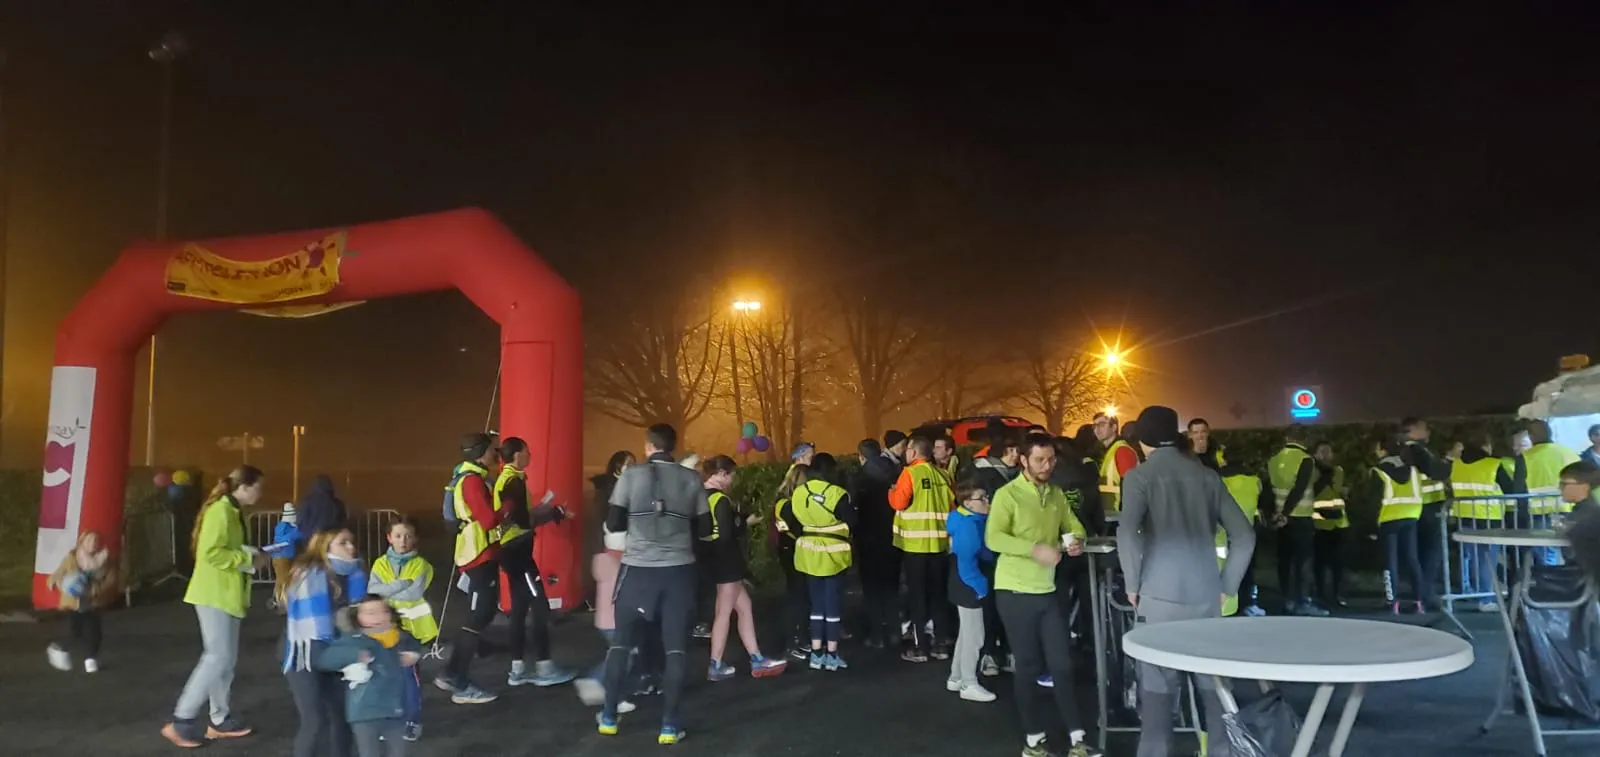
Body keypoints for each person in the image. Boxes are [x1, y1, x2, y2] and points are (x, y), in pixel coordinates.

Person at [1117, 406, 1254, 757]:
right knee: (1215, 696)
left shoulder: (1139, 476)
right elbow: (1245, 536)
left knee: (1158, 702)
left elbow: (1129, 534)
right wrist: (1228, 585)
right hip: (1207, 595)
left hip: (1158, 597)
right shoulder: (1207, 476)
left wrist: (1132, 582)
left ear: (1143, 442)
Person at [598, 423, 713, 744]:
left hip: (637, 571)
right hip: (678, 573)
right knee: (676, 650)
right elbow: (705, 528)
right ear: (673, 447)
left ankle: (608, 717)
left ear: (648, 446)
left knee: (620, 644)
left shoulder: (631, 477)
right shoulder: (691, 479)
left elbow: (614, 522)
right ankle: (668, 726)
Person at [986, 433, 1098, 757]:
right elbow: (993, 538)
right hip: (1014, 591)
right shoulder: (1008, 495)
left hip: (1047, 590)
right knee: (1029, 666)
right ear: (1023, 460)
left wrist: (1076, 540)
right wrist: (1034, 550)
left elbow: (1075, 526)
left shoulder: (1056, 493)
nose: (1047, 466)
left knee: (1062, 665)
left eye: (1050, 460)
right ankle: (1033, 741)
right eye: (1039, 460)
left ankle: (1078, 740)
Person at [162, 466, 267, 748]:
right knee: (217, 658)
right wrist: (248, 559)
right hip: (215, 595)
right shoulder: (222, 512)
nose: (260, 493)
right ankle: (181, 720)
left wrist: (249, 556)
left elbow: (217, 551)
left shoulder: (229, 510)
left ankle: (218, 719)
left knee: (225, 661)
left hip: (225, 595)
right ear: (243, 487)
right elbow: (211, 554)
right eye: (258, 487)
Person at [492, 436, 576, 688]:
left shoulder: (507, 479)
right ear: (517, 456)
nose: (530, 456)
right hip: (518, 552)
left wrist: (547, 510)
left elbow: (521, 515)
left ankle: (517, 669)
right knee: (539, 606)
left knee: (518, 610)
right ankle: (544, 667)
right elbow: (523, 521)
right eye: (527, 452)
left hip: (511, 551)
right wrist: (554, 513)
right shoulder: (513, 481)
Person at [282, 528, 368, 757]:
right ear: (325, 547)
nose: (351, 547)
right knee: (314, 719)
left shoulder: (356, 573)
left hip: (340, 649)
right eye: (343, 543)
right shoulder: (306, 574)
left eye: (352, 541)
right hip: (305, 650)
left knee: (344, 715)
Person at [700, 455, 787, 680]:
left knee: (744, 608)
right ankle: (715, 664)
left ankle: (756, 658)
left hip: (713, 560)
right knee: (724, 613)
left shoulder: (700, 496)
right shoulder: (720, 500)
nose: (733, 479)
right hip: (727, 562)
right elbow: (729, 533)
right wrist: (744, 524)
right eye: (731, 474)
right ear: (721, 474)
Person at [433, 433, 502, 704]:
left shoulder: (466, 476)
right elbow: (487, 520)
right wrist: (507, 506)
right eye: (492, 450)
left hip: (474, 552)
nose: (495, 455)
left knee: (479, 615)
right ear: (481, 453)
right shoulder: (473, 481)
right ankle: (456, 678)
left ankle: (453, 674)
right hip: (478, 553)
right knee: (478, 616)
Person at [316, 597, 423, 757]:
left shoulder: (402, 638)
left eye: (383, 611)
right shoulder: (353, 640)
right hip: (365, 712)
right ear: (357, 617)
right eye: (370, 613)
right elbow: (325, 660)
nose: (378, 617)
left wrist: (415, 654)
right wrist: (354, 655)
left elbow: (417, 646)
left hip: (397, 711)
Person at [783, 453, 857, 671]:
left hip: (807, 554)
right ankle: (832, 653)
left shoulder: (797, 493)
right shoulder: (837, 493)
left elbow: (793, 521)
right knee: (832, 605)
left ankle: (816, 653)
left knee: (816, 605)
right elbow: (852, 522)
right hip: (833, 555)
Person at [890, 434, 955, 663]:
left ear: (914, 452)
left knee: (918, 597)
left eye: (908, 450)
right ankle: (941, 644)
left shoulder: (910, 473)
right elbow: (952, 506)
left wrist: (891, 492)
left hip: (915, 546)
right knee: (938, 596)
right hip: (939, 545)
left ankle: (920, 647)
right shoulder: (942, 475)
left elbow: (899, 503)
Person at [368, 518, 434, 742]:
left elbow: (414, 594)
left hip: (411, 631)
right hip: (384, 630)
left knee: (409, 679)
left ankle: (412, 720)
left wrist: (387, 590)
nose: (403, 540)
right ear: (389, 538)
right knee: (384, 676)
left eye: (407, 536)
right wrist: (401, 584)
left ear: (414, 539)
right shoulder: (379, 563)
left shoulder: (422, 565)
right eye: (398, 536)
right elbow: (372, 591)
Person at [1450, 431, 1518, 611]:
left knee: (1472, 557)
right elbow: (1510, 489)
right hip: (1489, 517)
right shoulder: (1493, 464)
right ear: (1484, 446)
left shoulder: (1456, 464)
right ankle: (1486, 598)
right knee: (1487, 559)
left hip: (1463, 515)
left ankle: (1476, 593)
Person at [946, 479, 999, 702]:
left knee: (966, 634)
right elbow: (967, 561)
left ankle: (957, 676)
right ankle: (969, 682)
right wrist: (980, 587)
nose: (987, 501)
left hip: (961, 583)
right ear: (968, 502)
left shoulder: (966, 519)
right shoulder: (969, 526)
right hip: (969, 583)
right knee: (975, 637)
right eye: (982, 498)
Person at [1268, 424, 1324, 616]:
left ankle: (1288, 600)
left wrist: (1277, 514)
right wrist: (1287, 512)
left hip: (1280, 520)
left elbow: (1269, 489)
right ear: (1304, 440)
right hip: (1300, 518)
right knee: (1303, 562)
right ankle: (1304, 601)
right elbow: (1300, 488)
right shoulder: (1306, 460)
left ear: (1286, 438)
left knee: (1284, 561)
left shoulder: (1274, 460)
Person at [1369, 434, 1427, 614]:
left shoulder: (1378, 471)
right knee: (1412, 559)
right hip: (1411, 517)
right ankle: (1419, 601)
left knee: (1390, 562)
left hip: (1388, 519)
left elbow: (1374, 501)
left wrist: (1371, 527)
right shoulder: (1413, 470)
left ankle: (1392, 602)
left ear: (1383, 450)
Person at [854, 437, 903, 649]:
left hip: (867, 540)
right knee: (891, 586)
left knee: (872, 589)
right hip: (892, 537)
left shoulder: (859, 478)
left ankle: (876, 635)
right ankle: (894, 630)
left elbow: (853, 510)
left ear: (861, 456)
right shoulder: (895, 471)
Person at [46, 530, 116, 673]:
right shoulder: (72, 558)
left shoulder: (104, 560)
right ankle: (59, 649)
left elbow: (111, 579)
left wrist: (96, 591)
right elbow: (59, 573)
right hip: (73, 602)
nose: (93, 544)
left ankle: (90, 658)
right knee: (75, 632)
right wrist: (57, 583)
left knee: (94, 632)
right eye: (89, 540)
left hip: (92, 602)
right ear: (82, 542)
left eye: (96, 541)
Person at [1398, 418, 1454, 600]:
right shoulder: (1416, 450)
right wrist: (1448, 459)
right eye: (1423, 428)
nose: (1428, 432)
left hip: (1418, 507)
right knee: (1431, 552)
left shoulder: (1404, 450)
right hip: (1428, 506)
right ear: (1412, 430)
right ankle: (1426, 594)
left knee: (1422, 552)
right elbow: (1437, 472)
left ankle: (1421, 593)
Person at [772, 462, 813, 659]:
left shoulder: (783, 500)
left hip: (789, 550)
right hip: (793, 551)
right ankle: (795, 640)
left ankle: (799, 637)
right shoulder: (788, 504)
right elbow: (795, 529)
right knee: (798, 597)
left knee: (800, 596)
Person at [1218, 459, 1266, 616]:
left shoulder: (1218, 478)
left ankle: (1231, 602)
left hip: (1223, 533)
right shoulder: (1254, 480)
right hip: (1247, 530)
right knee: (1247, 569)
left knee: (1228, 567)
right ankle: (1248, 603)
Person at [1309, 441, 1349, 608]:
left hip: (1339, 523)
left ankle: (1336, 594)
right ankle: (1321, 595)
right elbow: (1312, 491)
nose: (1326, 454)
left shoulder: (1338, 471)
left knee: (1337, 563)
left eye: (1328, 451)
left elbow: (1339, 491)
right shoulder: (1311, 471)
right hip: (1319, 523)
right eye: (1322, 451)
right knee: (1320, 563)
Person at [1094, 412, 1139, 514]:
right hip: (1111, 513)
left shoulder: (1122, 450)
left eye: (1102, 425)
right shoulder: (1110, 450)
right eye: (1095, 426)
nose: (1097, 429)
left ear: (1114, 427)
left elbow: (1130, 487)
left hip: (1119, 515)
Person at [297, 474, 348, 540]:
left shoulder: (307, 501)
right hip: (330, 538)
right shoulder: (337, 504)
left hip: (310, 537)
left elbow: (300, 520)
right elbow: (343, 522)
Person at [272, 502, 302, 606]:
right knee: (285, 580)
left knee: (281, 579)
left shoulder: (280, 526)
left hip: (280, 556)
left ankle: (278, 600)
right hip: (283, 556)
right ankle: (283, 603)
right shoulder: (289, 527)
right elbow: (289, 538)